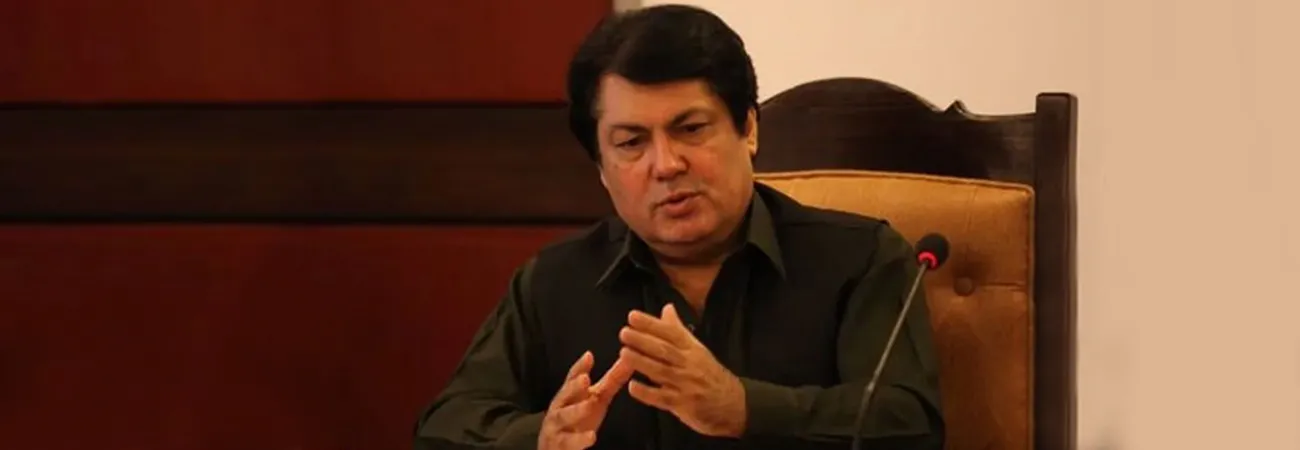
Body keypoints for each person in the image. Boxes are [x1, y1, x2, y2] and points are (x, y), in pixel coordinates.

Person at [414, 4, 943, 450]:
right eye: (631, 143)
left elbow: (910, 426)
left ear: (748, 128)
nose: (666, 165)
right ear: (601, 167)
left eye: (690, 129)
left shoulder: (860, 259)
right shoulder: (554, 283)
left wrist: (744, 408)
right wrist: (540, 438)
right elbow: (444, 429)